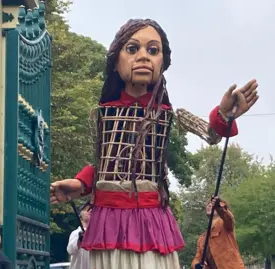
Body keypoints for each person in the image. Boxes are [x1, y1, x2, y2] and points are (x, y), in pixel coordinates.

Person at [50, 18, 259, 269]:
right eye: (132, 49)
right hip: (109, 220)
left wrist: (224, 115)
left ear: (162, 62)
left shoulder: (169, 115)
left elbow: (211, 135)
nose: (143, 57)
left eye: (153, 50)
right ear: (116, 61)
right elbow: (104, 162)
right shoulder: (101, 114)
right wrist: (81, 183)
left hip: (151, 219)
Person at [192, 197, 245, 269]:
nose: (209, 205)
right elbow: (197, 258)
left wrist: (219, 207)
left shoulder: (225, 224)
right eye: (208, 204)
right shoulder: (202, 239)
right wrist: (197, 265)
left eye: (212, 204)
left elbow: (228, 218)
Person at [67, 203, 92, 269]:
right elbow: (70, 250)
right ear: (80, 215)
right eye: (86, 209)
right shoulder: (75, 233)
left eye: (92, 209)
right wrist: (79, 240)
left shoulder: (98, 234)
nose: (90, 211)